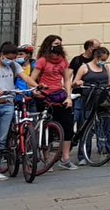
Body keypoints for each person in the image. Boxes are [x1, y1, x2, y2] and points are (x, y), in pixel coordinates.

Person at [0, 43, 36, 179]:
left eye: (13, 58)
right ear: (1, 55)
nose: (11, 61)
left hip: (8, 105)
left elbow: (26, 78)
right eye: (8, 58)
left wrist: (37, 86)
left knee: (1, 140)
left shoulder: (14, 66)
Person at [72, 45, 110, 164]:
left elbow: (109, 81)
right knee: (86, 126)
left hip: (103, 99)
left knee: (109, 126)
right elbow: (74, 83)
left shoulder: (105, 67)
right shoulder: (84, 68)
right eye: (102, 59)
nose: (103, 62)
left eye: (105, 60)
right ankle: (83, 156)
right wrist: (79, 82)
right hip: (89, 99)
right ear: (96, 57)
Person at [34, 35, 76, 169]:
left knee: (68, 126)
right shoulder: (42, 61)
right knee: (46, 128)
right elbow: (33, 78)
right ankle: (47, 160)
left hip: (59, 95)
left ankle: (65, 158)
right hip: (45, 96)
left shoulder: (63, 61)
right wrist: (35, 90)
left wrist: (68, 96)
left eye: (60, 44)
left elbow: (67, 79)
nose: (59, 46)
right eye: (56, 44)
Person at [68, 38, 99, 131]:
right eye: (98, 47)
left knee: (86, 123)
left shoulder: (97, 61)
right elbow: (68, 77)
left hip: (91, 94)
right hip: (78, 94)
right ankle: (71, 141)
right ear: (90, 48)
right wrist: (68, 92)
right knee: (74, 118)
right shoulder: (77, 60)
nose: (100, 50)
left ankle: (84, 143)